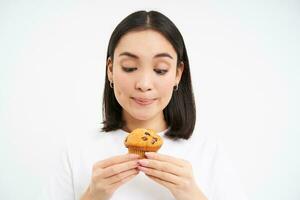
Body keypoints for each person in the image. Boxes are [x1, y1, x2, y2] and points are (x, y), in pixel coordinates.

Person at [40, 10, 248, 200]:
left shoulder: (209, 153)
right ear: (110, 70)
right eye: (130, 68)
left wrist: (191, 194)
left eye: (160, 70)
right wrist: (93, 195)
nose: (144, 84)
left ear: (177, 74)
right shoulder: (75, 152)